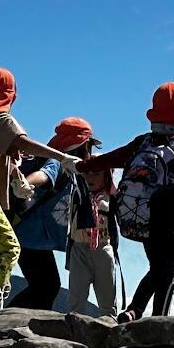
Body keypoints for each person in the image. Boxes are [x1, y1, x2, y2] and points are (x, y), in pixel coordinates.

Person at [0, 67, 90, 316]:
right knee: (8, 248)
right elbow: (22, 144)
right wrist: (61, 157)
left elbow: (1, 160)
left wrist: (18, 179)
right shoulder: (0, 121)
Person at [113, 83, 174, 321]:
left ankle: (134, 310)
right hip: (169, 220)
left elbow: (113, 158)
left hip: (142, 217)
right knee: (170, 274)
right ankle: (157, 323)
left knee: (157, 269)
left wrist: (80, 165)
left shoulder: (142, 142)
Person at [9, 118, 96, 310]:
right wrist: (25, 184)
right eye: (89, 146)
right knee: (46, 286)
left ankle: (21, 326)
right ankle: (4, 324)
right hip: (29, 236)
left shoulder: (67, 167)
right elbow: (45, 174)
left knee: (45, 286)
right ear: (80, 145)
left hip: (34, 237)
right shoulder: (58, 161)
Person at [66, 126, 121, 317]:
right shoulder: (76, 193)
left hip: (104, 249)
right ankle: (73, 332)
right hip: (78, 248)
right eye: (87, 173)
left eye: (96, 173)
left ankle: (108, 332)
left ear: (106, 176)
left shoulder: (111, 198)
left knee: (107, 299)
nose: (90, 177)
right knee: (76, 298)